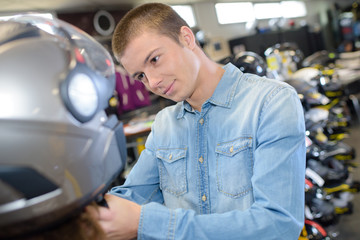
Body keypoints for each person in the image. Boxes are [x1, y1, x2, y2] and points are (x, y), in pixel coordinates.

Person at [88, 3, 306, 239]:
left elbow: (278, 225)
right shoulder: (163, 125)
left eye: (155, 59)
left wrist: (151, 223)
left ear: (186, 38)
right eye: (140, 76)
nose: (153, 82)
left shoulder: (270, 102)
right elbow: (131, 196)